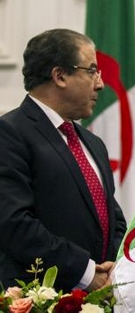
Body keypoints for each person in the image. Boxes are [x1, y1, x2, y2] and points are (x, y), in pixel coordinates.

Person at [0, 29, 126, 291]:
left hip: (101, 299)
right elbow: (14, 224)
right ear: (60, 76)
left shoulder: (93, 144)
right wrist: (87, 272)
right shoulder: (9, 134)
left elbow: (113, 220)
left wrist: (112, 269)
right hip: (38, 298)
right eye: (92, 70)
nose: (100, 84)